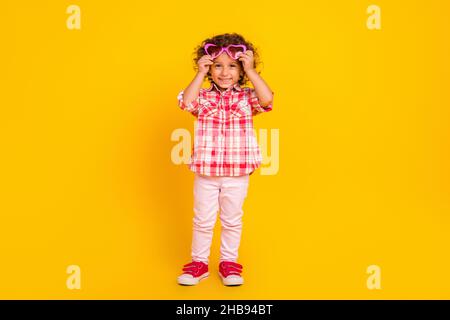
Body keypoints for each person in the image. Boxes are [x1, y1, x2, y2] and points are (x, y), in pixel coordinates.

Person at [176, 33, 274, 286]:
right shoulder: (203, 96)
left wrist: (252, 71)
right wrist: (199, 74)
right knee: (203, 219)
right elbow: (186, 102)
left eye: (233, 66)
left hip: (237, 173)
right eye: (217, 65)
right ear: (209, 68)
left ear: (241, 70)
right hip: (206, 172)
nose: (224, 72)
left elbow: (267, 99)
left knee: (232, 219)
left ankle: (229, 263)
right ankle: (199, 263)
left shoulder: (246, 97)